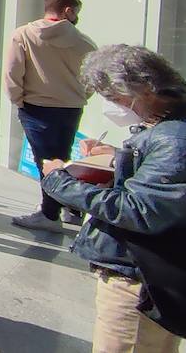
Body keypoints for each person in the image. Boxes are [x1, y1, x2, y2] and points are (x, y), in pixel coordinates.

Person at [42, 45, 186, 353]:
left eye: (113, 97)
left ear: (144, 89)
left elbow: (140, 211)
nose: (112, 106)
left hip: (138, 278)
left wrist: (59, 181)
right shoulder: (168, 123)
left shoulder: (174, 137)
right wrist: (119, 159)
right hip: (151, 272)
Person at [6, 0, 98, 233]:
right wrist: (79, 96)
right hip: (70, 106)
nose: (77, 16)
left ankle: (50, 212)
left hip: (36, 106)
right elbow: (92, 79)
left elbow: (13, 72)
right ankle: (65, 207)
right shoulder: (84, 42)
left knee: (45, 160)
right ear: (67, 10)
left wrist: (18, 99)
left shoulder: (24, 34)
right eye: (76, 11)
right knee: (62, 158)